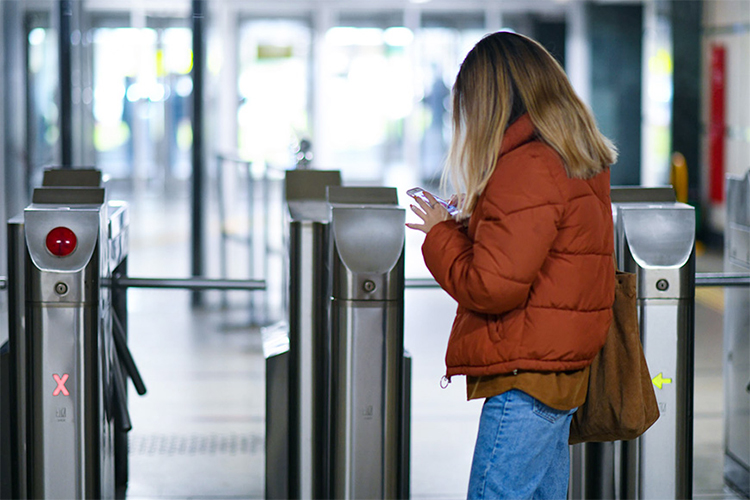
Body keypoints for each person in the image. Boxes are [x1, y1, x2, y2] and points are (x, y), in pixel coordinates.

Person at [406, 31, 618, 499]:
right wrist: (475, 220)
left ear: (491, 101)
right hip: (559, 372)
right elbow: (537, 252)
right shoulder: (570, 156)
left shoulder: (526, 166)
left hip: (527, 380)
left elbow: (491, 285)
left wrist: (440, 233)